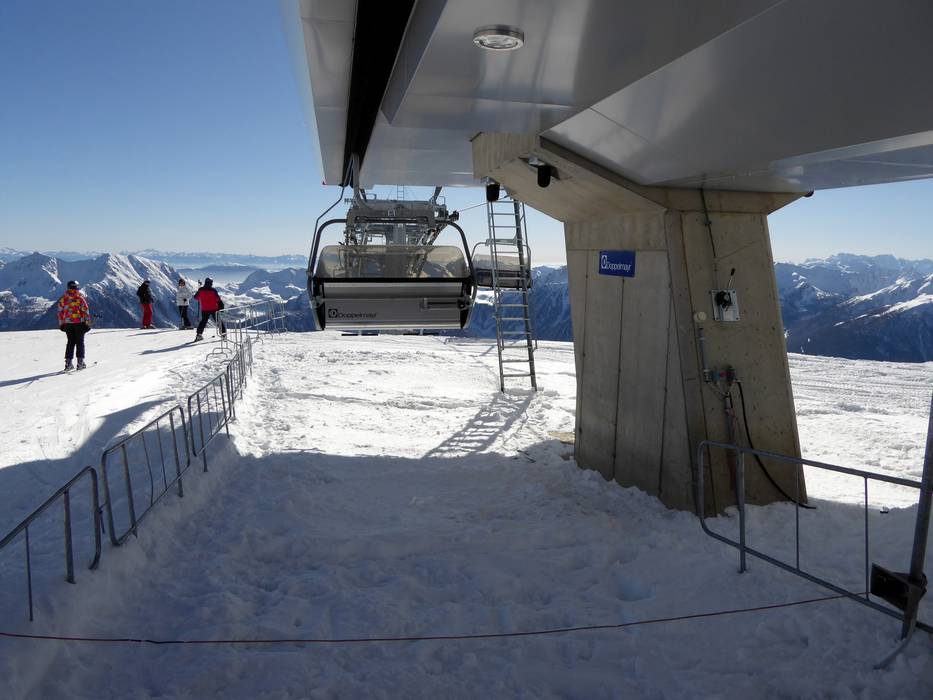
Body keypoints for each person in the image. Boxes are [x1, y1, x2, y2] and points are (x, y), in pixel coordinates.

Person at [58, 280, 92, 371]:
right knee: (80, 342)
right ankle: (80, 363)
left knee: (70, 343)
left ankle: (68, 363)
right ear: (77, 287)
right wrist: (87, 323)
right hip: (80, 323)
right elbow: (85, 311)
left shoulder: (63, 299)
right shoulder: (80, 298)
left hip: (67, 324)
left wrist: (61, 324)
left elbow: (60, 313)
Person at [193, 277, 225, 341]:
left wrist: (201, 295)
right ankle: (223, 334)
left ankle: (199, 335)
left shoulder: (201, 290)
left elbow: (196, 297)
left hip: (204, 309)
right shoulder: (213, 290)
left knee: (203, 321)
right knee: (218, 321)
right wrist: (221, 306)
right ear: (211, 283)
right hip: (214, 308)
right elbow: (218, 299)